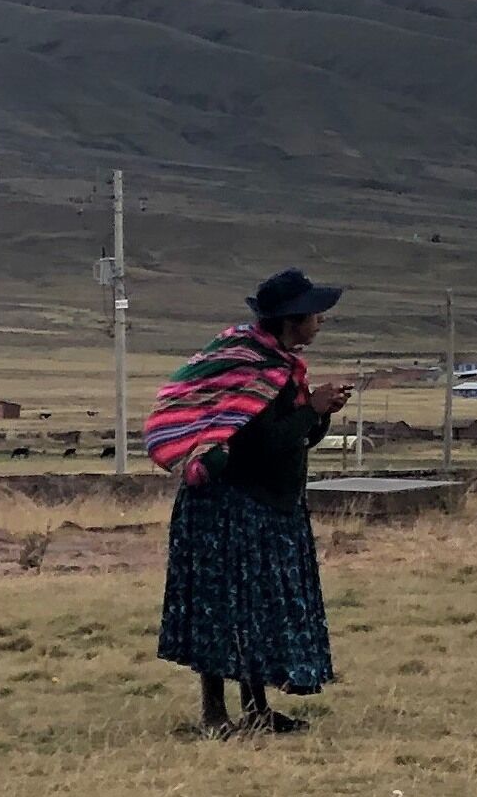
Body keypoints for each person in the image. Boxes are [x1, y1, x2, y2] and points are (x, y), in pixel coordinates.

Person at [149, 269, 353, 735]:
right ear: (292, 319)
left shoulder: (280, 366)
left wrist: (318, 415)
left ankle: (256, 710)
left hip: (268, 507)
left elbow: (293, 438)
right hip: (229, 507)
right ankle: (214, 714)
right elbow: (255, 442)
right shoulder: (251, 368)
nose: (320, 321)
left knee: (255, 611)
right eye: (315, 314)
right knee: (221, 609)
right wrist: (311, 409)